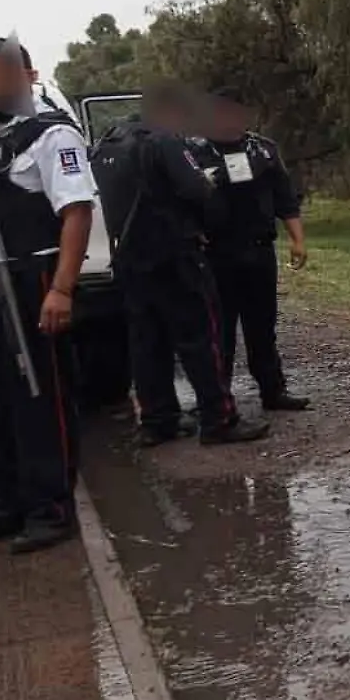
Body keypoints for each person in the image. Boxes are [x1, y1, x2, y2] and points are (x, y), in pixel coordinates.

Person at [0, 37, 92, 553]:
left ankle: (50, 509)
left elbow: (76, 213)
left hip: (30, 281)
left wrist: (61, 289)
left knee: (37, 399)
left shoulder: (53, 137)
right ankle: (3, 506)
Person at [91, 83, 269, 447]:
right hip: (173, 256)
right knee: (201, 338)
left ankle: (158, 421)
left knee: (146, 342)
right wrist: (210, 220)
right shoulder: (163, 141)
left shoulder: (107, 143)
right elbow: (198, 190)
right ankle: (218, 418)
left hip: (127, 258)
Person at [192, 86, 309, 412]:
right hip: (215, 255)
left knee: (262, 327)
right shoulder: (193, 152)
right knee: (220, 332)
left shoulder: (264, 151)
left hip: (258, 252)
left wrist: (298, 240)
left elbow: (285, 199)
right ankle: (218, 400)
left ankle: (273, 391)